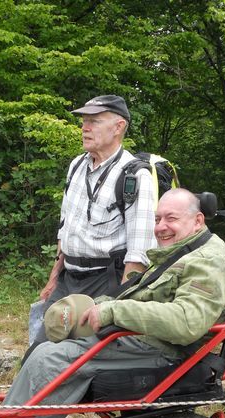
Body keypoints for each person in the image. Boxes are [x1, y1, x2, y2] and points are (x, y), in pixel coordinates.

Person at [0, 188, 225, 418]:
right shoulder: (186, 250)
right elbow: (147, 299)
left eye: (171, 218)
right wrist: (102, 307)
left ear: (198, 220)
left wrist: (114, 313)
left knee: (50, 361)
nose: (161, 227)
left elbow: (187, 323)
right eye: (157, 219)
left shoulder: (209, 261)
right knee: (41, 351)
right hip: (142, 341)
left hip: (166, 354)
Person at [36, 95, 157, 341]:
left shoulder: (135, 177)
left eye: (94, 121)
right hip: (68, 279)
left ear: (118, 127)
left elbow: (139, 255)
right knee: (39, 349)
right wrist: (53, 279)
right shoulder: (77, 165)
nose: (85, 128)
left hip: (106, 281)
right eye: (83, 121)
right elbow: (66, 227)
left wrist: (116, 305)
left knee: (85, 358)